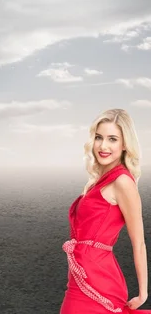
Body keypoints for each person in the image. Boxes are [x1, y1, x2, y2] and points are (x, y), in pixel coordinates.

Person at [60, 108, 151, 313]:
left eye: (112, 139)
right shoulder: (99, 181)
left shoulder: (122, 182)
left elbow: (139, 242)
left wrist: (143, 292)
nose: (103, 146)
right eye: (99, 137)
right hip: (80, 274)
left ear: (125, 144)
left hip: (98, 277)